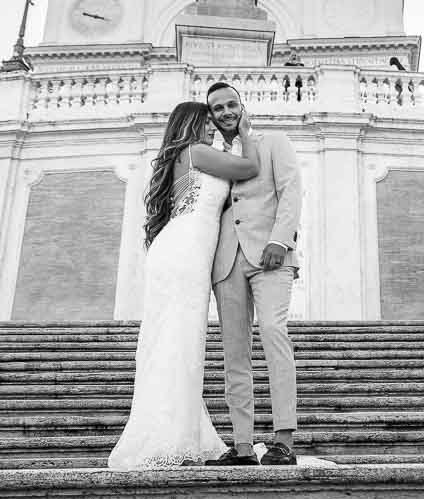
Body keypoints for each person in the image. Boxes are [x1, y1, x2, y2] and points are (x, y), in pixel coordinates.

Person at [107, 101, 262, 470]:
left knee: (176, 340)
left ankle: (178, 428)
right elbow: (249, 168)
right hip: (185, 251)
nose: (212, 128)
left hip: (180, 249)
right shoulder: (196, 151)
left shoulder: (185, 155)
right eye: (206, 122)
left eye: (214, 123)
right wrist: (245, 133)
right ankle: (168, 435)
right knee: (178, 339)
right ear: (191, 125)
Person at [203, 82, 303, 466]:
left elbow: (291, 191)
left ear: (241, 105)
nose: (226, 112)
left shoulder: (274, 141)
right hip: (226, 263)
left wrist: (282, 240)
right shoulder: (212, 155)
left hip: (271, 254)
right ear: (211, 116)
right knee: (234, 353)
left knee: (274, 333)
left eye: (231, 104)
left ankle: (283, 441)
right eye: (217, 108)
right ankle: (242, 445)